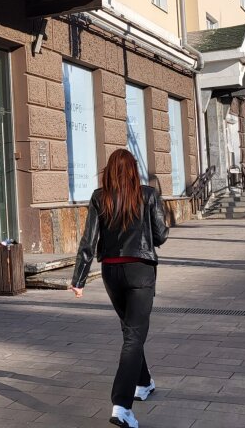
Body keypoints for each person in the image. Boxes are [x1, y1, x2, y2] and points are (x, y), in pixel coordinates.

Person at [69, 149, 168, 428]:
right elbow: (160, 235)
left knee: (131, 331)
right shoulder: (148, 195)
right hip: (140, 270)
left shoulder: (100, 197)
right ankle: (122, 406)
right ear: (134, 170)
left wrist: (79, 280)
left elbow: (88, 241)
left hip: (111, 272)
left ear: (109, 170)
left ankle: (144, 382)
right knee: (134, 335)